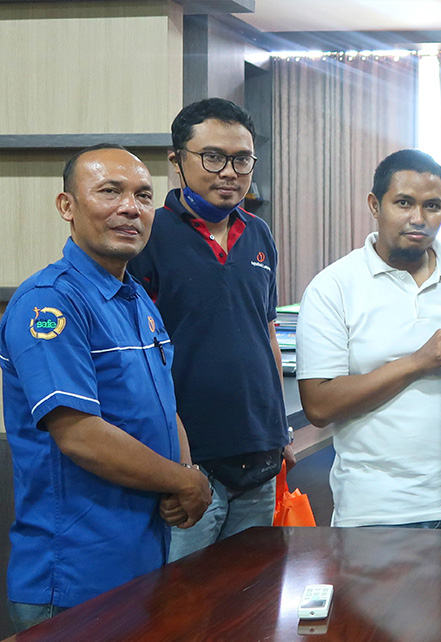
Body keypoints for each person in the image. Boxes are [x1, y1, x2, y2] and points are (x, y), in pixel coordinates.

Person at [0, 145, 212, 631]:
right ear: (67, 206)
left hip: (144, 562)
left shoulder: (135, 297)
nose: (130, 208)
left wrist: (185, 470)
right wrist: (184, 482)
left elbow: (164, 404)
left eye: (143, 195)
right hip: (75, 578)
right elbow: (80, 435)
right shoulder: (49, 303)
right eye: (110, 192)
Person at [295, 149, 441, 529]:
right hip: (376, 513)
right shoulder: (333, 286)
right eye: (403, 203)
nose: (418, 218)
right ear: (375, 205)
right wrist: (417, 361)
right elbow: (318, 406)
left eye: (432, 206)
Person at [128, 99, 291, 560]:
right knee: (185, 597)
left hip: (259, 456)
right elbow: (140, 361)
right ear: (176, 160)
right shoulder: (149, 235)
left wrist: (279, 430)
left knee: (250, 592)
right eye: (213, 157)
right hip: (190, 466)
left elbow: (266, 333)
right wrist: (178, 466)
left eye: (242, 160)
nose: (230, 173)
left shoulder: (258, 233)